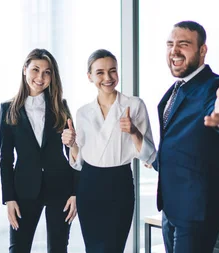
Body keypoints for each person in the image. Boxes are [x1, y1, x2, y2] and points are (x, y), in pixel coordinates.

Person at [154, 21, 219, 253]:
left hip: (197, 208)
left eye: (183, 44)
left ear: (202, 50)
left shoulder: (215, 87)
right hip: (172, 206)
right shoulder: (176, 89)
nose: (174, 51)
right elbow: (177, 145)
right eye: (170, 44)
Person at [66, 49, 156, 252]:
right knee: (93, 248)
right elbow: (79, 161)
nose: (107, 78)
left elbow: (150, 155)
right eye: (100, 72)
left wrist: (133, 131)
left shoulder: (134, 105)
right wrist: (72, 144)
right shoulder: (83, 113)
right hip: (89, 185)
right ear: (89, 76)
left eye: (112, 71)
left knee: (113, 247)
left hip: (119, 182)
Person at [0, 48, 78, 253]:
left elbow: (72, 152)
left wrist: (74, 192)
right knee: (18, 249)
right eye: (35, 70)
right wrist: (9, 198)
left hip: (60, 187)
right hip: (24, 189)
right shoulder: (8, 109)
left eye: (47, 72)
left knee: (58, 249)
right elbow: (5, 158)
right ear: (25, 70)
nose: (40, 77)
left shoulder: (60, 106)